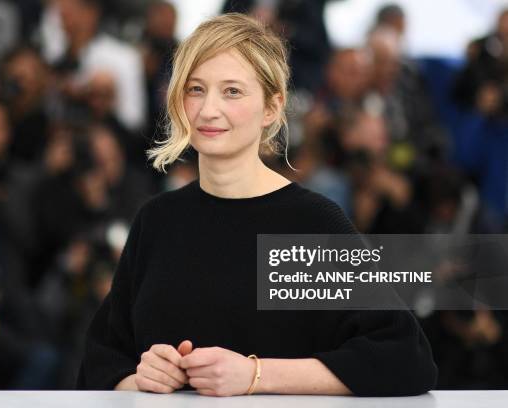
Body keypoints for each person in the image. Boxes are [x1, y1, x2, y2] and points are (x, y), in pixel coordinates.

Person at [77, 13, 437, 397]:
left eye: (232, 91)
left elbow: (404, 357)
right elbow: (102, 359)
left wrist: (255, 375)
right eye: (196, 89)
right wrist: (139, 378)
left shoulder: (311, 223)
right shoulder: (157, 220)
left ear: (271, 107)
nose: (208, 109)